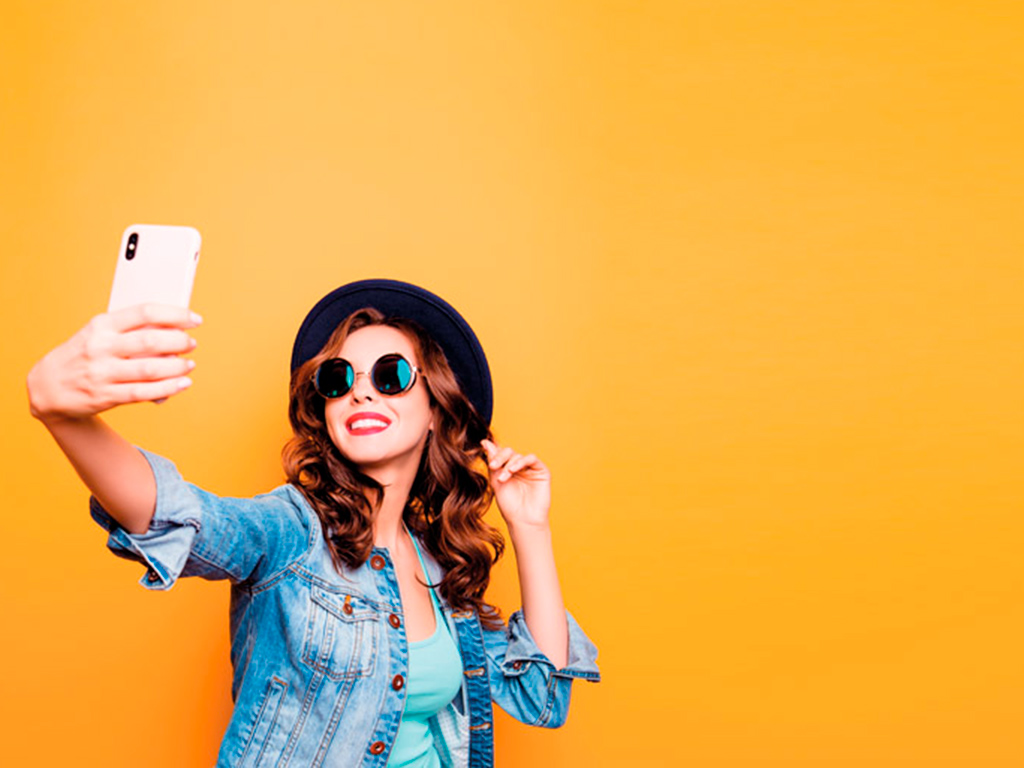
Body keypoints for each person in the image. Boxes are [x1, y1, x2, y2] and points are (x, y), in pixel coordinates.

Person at [27, 278, 600, 768]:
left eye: (390, 374)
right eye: (337, 379)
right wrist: (66, 416)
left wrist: (530, 527)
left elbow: (540, 695)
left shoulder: (439, 568)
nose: (359, 391)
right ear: (322, 411)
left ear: (435, 409)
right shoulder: (291, 531)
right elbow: (181, 516)